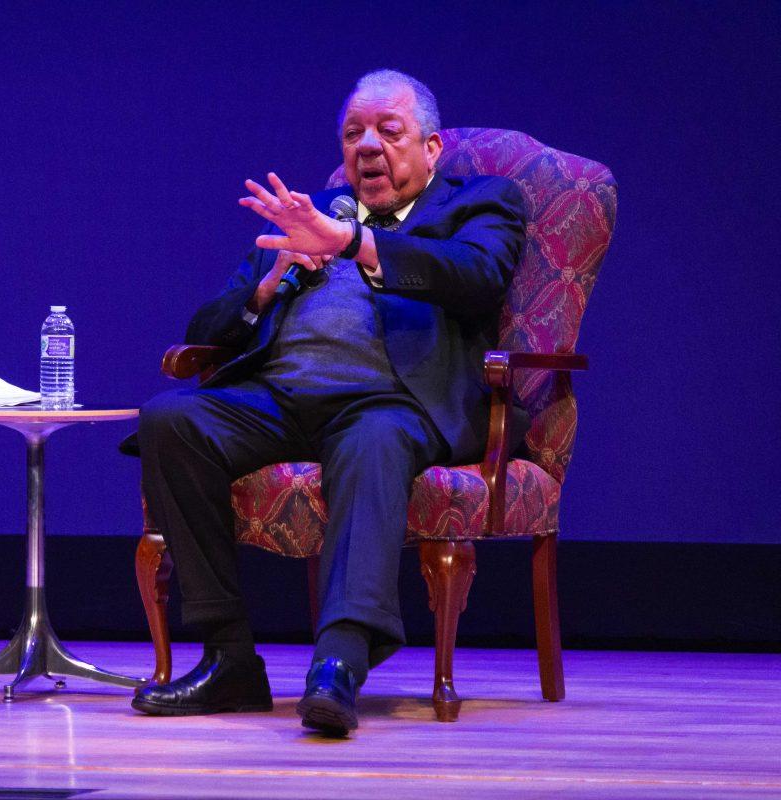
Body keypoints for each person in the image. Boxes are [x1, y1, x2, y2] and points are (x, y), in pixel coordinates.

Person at [128, 69, 528, 735]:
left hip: (388, 401)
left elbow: (478, 278)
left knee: (374, 440)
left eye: (387, 131)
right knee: (171, 420)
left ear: (431, 148)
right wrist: (271, 282)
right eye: (352, 134)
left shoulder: (479, 203)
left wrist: (353, 244)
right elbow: (204, 333)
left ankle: (337, 665)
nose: (366, 145)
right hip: (276, 399)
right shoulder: (306, 214)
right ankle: (229, 659)